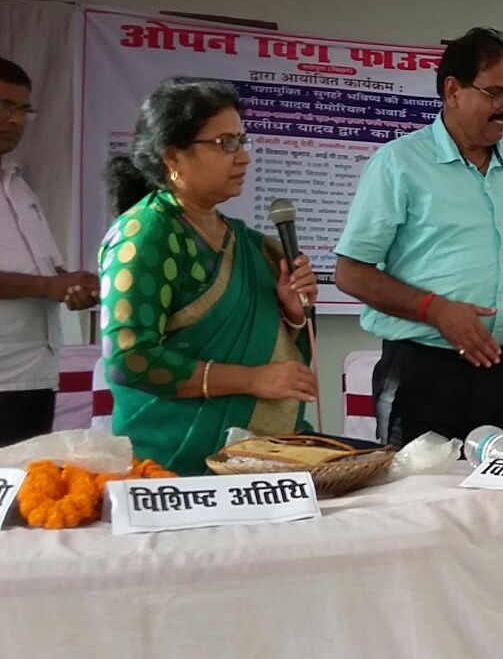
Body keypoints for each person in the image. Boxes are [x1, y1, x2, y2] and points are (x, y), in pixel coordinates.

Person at [335, 27, 503, 448]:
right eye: (495, 94)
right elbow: (350, 272)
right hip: (424, 370)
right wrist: (435, 310)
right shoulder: (398, 163)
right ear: (453, 90)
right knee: (419, 502)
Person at [99, 80, 318, 474]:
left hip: (261, 457)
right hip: (172, 464)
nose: (243, 158)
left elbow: (269, 346)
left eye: (242, 141)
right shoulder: (146, 233)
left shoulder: (242, 241)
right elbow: (129, 358)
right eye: (225, 144)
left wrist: (291, 312)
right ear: (173, 157)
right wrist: (251, 380)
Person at [0, 57, 99, 446]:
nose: (15, 120)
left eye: (23, 109)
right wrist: (49, 286)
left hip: (34, 373)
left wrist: (76, 286)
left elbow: (45, 271)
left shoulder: (17, 184)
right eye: (4, 105)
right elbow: (44, 283)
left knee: (25, 498)